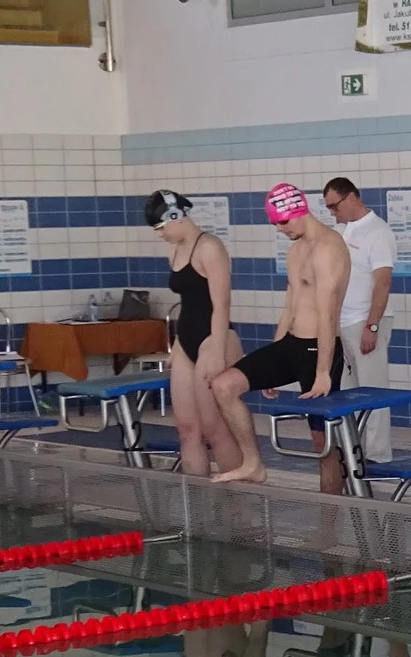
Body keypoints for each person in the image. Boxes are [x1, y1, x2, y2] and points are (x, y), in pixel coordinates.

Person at [210, 183, 350, 491]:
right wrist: (274, 356)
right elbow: (290, 307)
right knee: (224, 385)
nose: (280, 229)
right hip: (290, 345)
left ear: (300, 211)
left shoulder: (329, 247)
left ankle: (331, 511)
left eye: (283, 221)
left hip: (318, 350)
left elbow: (328, 316)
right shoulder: (296, 250)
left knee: (322, 441)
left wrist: (323, 372)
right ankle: (252, 463)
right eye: (275, 223)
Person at [145, 190, 242, 478]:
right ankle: (197, 501)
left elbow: (222, 304)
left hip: (215, 338)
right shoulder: (174, 249)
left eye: (161, 227)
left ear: (176, 216)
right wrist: (177, 345)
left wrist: (217, 352)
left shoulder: (210, 247)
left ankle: (240, 499)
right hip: (186, 339)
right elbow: (187, 302)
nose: (159, 234)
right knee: (187, 430)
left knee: (215, 429)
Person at [322, 178, 396, 466]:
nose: (332, 212)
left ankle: (377, 455)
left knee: (374, 392)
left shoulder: (378, 231)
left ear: (351, 197)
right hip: (342, 324)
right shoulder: (340, 231)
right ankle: (354, 452)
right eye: (328, 208)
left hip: (366, 322)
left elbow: (383, 282)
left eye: (335, 206)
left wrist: (372, 326)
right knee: (349, 394)